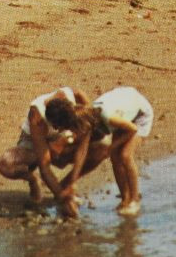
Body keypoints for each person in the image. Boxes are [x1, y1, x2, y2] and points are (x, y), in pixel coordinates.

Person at [43, 86, 154, 217]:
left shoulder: (105, 117)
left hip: (139, 116)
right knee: (114, 157)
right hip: (123, 111)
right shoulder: (85, 117)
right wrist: (72, 182)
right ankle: (125, 199)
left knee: (124, 155)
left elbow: (133, 129)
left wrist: (112, 147)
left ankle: (134, 200)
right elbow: (82, 152)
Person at [0, 85, 91, 205]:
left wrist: (72, 182)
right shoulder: (37, 116)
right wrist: (63, 198)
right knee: (5, 165)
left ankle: (67, 184)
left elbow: (90, 121)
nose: (58, 129)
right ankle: (33, 180)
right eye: (57, 127)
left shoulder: (73, 96)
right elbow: (44, 166)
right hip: (34, 141)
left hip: (61, 139)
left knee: (101, 145)